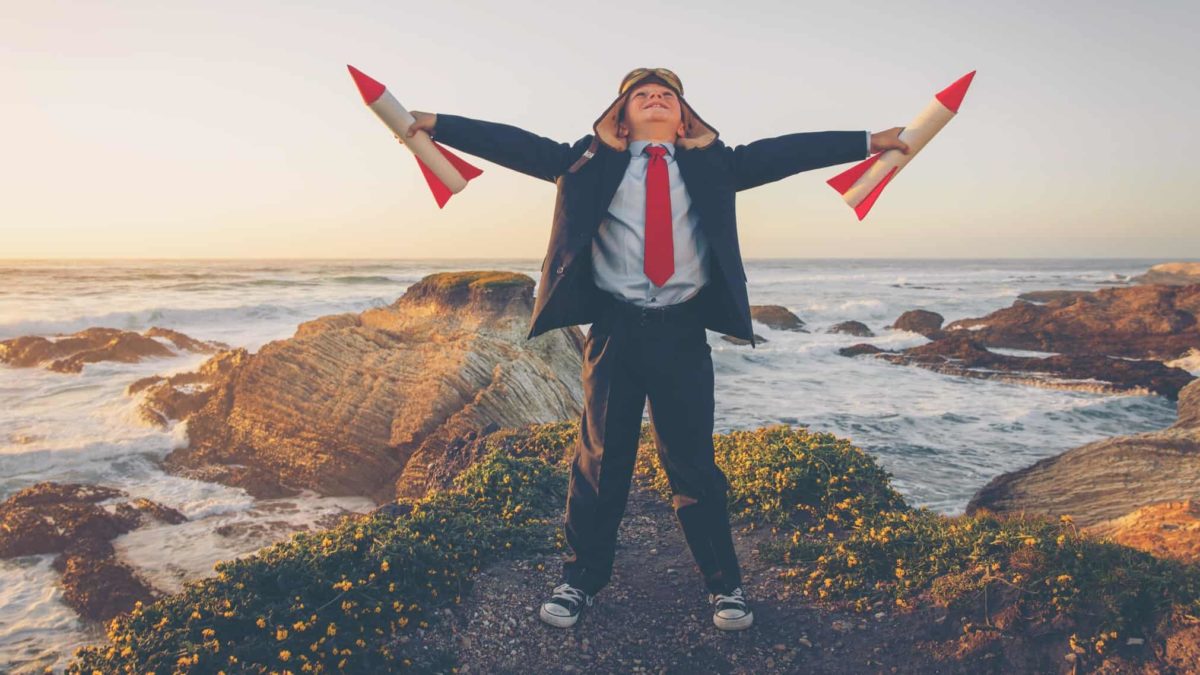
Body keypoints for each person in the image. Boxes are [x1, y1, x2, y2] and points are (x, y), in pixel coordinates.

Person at [402, 67, 910, 631]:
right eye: (642, 94)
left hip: (682, 331)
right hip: (615, 330)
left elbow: (786, 152)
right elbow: (514, 143)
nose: (656, 98)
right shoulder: (585, 161)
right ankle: (580, 580)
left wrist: (868, 141)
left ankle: (726, 588)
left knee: (693, 466)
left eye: (667, 94)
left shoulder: (715, 163)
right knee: (599, 462)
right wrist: (438, 124)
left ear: (685, 115)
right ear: (621, 114)